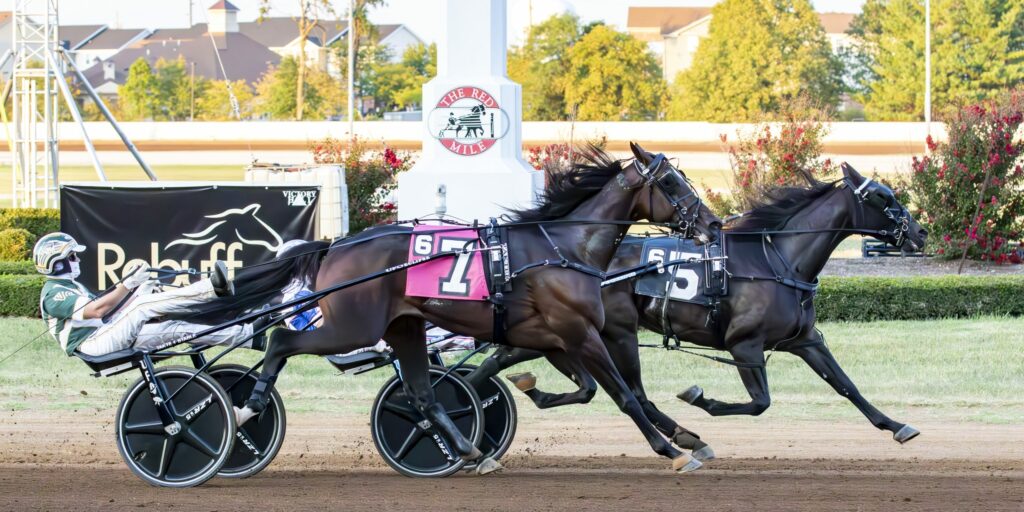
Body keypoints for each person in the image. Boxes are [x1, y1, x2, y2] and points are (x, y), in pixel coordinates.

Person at [34, 232, 256, 357]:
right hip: (93, 344)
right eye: (72, 257)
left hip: (106, 333)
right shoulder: (54, 293)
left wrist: (139, 287)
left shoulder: (73, 287)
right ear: (57, 263)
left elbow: (111, 312)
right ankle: (211, 288)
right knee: (142, 306)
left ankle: (248, 335)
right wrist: (128, 284)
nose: (78, 260)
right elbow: (98, 310)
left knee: (175, 329)